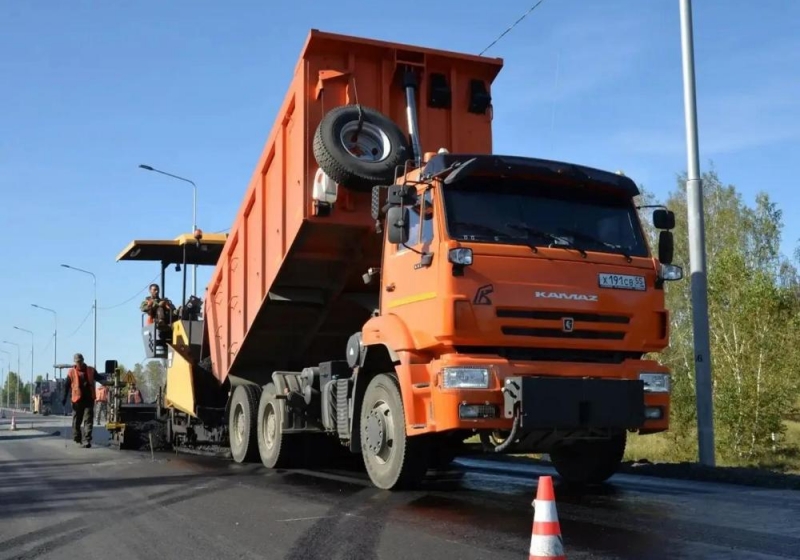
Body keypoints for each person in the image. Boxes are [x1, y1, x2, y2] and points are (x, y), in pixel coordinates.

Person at [61, 353, 96, 448]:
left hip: (89, 399)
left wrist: (108, 381)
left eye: (80, 361)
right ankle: (77, 437)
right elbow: (66, 386)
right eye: (77, 362)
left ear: (83, 360)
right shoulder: (71, 372)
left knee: (88, 420)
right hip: (77, 401)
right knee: (76, 421)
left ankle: (87, 440)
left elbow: (99, 378)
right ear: (75, 362)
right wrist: (64, 397)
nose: (79, 363)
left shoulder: (90, 370)